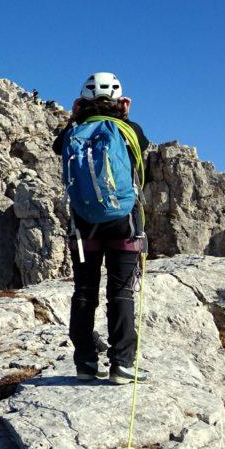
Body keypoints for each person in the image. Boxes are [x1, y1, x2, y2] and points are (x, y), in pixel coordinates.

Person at [52, 72, 151, 385]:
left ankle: (85, 363)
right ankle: (122, 364)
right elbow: (140, 160)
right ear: (121, 101)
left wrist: (76, 115)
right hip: (124, 222)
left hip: (83, 225)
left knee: (84, 292)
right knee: (120, 292)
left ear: (82, 102)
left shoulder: (72, 132)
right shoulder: (130, 129)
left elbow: (59, 146)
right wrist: (124, 114)